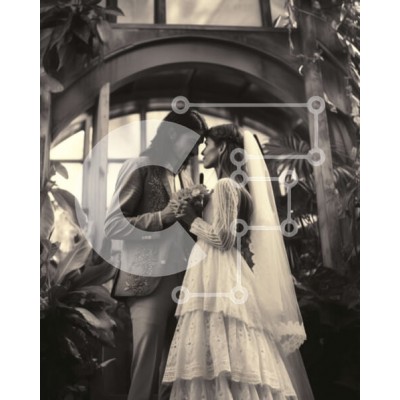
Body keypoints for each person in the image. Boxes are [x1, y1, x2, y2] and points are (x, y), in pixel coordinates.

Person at [163, 124, 314, 399]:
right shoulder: (236, 188)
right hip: (222, 269)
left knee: (217, 345)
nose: (202, 150)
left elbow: (223, 238)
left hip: (218, 270)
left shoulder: (225, 185)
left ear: (221, 148)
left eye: (207, 144)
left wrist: (190, 219)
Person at [104, 110, 208, 400]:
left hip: (186, 283)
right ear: (173, 134)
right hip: (148, 281)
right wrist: (162, 217)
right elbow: (113, 225)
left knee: (175, 372)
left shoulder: (185, 177)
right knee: (146, 370)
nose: (196, 152)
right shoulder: (139, 166)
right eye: (194, 142)